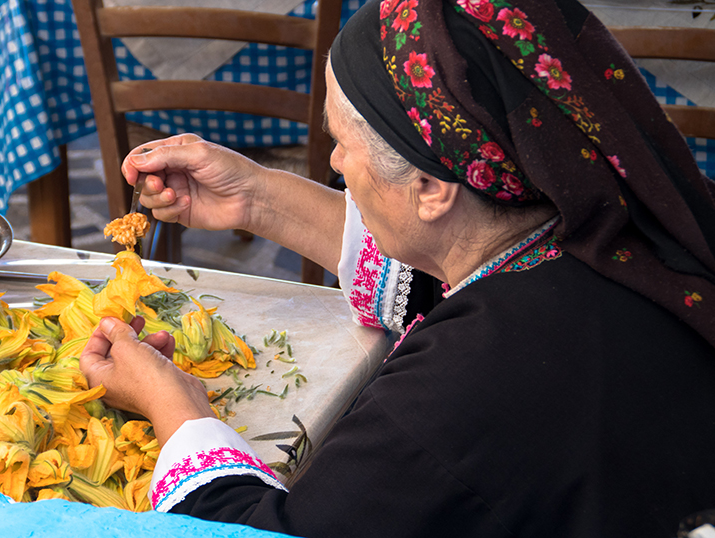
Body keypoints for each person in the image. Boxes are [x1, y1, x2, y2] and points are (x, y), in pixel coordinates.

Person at [79, 0, 715, 535]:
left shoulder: (457, 395)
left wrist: (177, 408)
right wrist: (255, 197)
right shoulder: (606, 237)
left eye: (344, 145)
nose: (333, 164)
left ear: (433, 187)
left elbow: (262, 531)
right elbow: (440, 271)